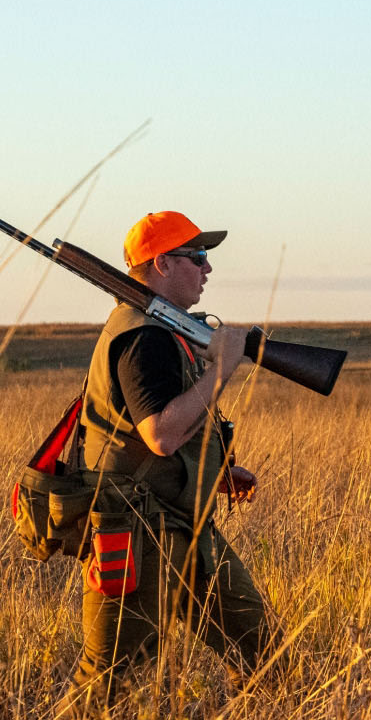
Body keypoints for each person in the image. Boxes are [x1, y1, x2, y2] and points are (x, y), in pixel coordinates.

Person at [70, 209, 275, 695]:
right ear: (162, 263)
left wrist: (214, 469)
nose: (208, 269)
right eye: (198, 256)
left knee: (264, 655)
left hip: (185, 521)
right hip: (138, 529)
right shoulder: (142, 337)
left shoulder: (167, 330)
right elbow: (160, 434)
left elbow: (171, 433)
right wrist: (221, 370)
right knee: (108, 684)